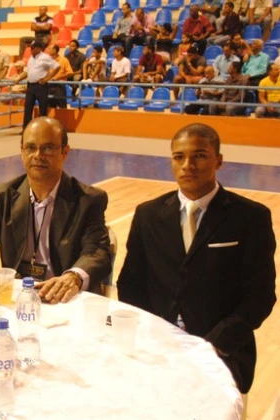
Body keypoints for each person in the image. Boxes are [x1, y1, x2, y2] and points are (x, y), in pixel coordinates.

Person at [117, 124, 276, 394]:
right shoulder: (148, 215)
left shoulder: (251, 217)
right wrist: (154, 335)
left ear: (219, 161)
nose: (188, 164)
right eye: (179, 157)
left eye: (199, 155)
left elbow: (260, 296)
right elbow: (131, 284)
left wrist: (212, 345)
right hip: (157, 348)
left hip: (222, 353)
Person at [0, 117, 111, 303]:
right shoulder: (3, 195)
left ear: (65, 152)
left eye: (48, 148)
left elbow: (97, 252)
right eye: (31, 147)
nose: (38, 155)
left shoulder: (88, 200)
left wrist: (74, 277)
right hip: (18, 299)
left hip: (65, 300)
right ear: (22, 151)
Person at [14, 40, 59, 130]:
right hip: (30, 85)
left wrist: (47, 78)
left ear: (38, 48)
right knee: (28, 107)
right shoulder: (31, 58)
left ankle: (41, 129)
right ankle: (26, 129)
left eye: (32, 48)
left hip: (40, 85)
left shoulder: (45, 57)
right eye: (31, 47)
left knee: (42, 108)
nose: (31, 49)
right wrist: (19, 78)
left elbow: (57, 67)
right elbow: (28, 71)